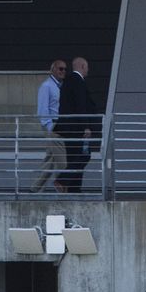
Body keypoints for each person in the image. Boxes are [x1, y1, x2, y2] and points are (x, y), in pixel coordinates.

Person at [57, 56, 101, 194]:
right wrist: (86, 126)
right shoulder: (78, 81)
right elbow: (81, 106)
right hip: (77, 128)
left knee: (73, 157)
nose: (88, 70)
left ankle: (73, 189)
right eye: (87, 67)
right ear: (82, 66)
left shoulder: (67, 82)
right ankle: (63, 180)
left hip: (68, 128)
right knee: (84, 155)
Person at [31, 58, 69, 194]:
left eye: (65, 69)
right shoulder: (46, 86)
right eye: (60, 69)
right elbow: (42, 109)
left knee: (50, 160)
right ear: (52, 70)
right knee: (63, 161)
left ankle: (35, 189)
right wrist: (50, 127)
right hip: (53, 127)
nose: (63, 71)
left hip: (59, 126)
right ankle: (63, 185)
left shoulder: (60, 86)